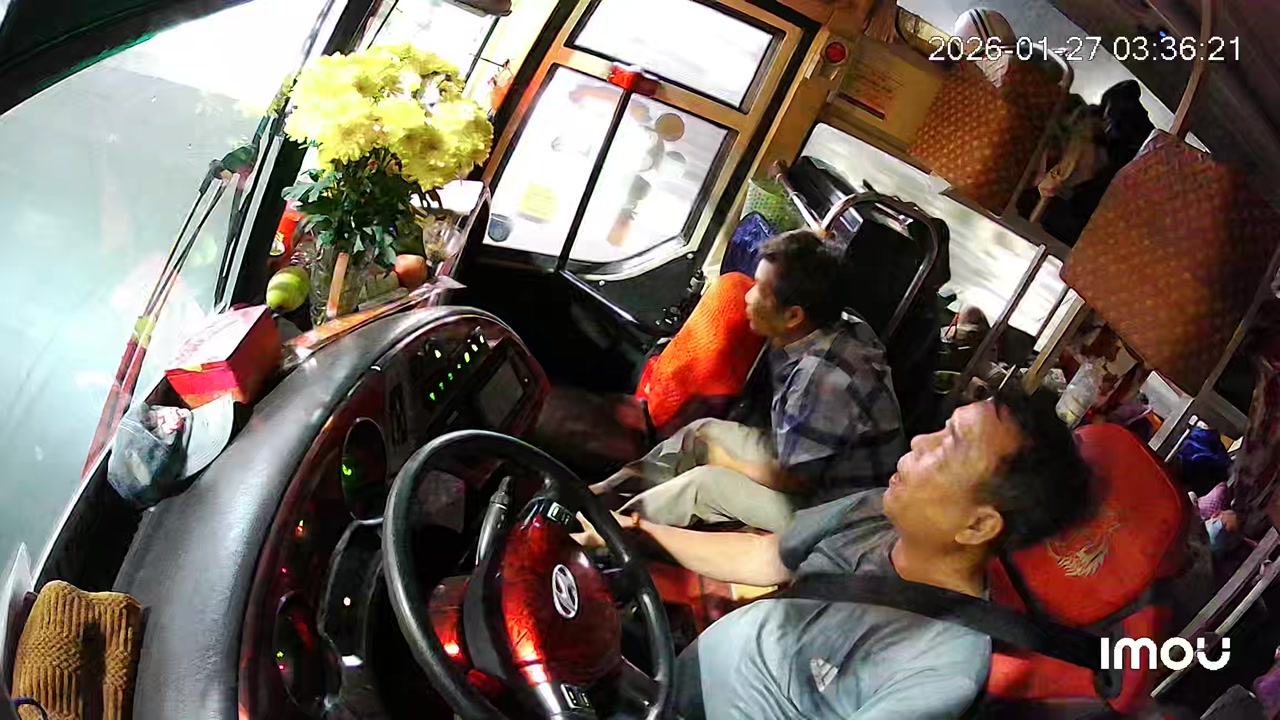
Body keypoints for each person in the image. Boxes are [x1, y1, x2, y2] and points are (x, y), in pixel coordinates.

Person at [578, 392, 1094, 718]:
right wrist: (639, 532)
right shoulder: (876, 511)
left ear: (978, 525)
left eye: (948, 446)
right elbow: (765, 558)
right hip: (668, 685)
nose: (919, 440)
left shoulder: (942, 665)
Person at [590, 230, 905, 532]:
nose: (747, 296)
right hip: (807, 465)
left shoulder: (822, 381)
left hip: (836, 512)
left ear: (793, 316)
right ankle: (599, 497)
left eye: (760, 290)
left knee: (705, 486)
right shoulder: (830, 324)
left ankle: (604, 534)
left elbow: (796, 479)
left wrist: (728, 463)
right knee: (702, 433)